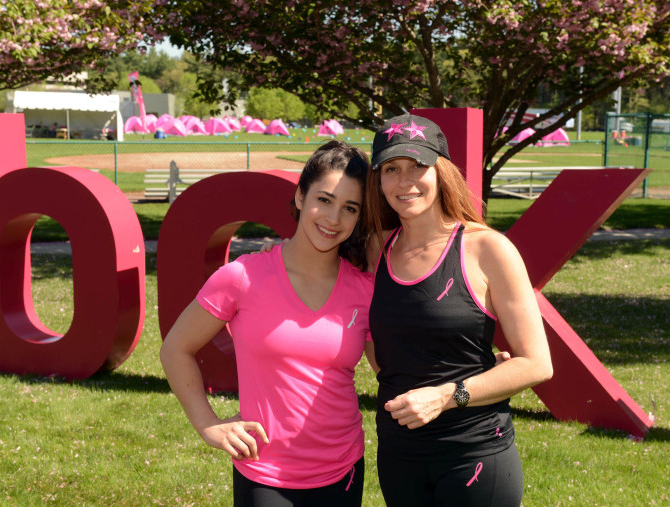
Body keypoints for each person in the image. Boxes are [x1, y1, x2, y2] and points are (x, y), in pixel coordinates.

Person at [160, 140, 375, 507]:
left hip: (344, 470)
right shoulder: (242, 278)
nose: (333, 219)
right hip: (265, 474)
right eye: (324, 200)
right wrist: (207, 424)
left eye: (349, 208)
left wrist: (475, 367)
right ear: (299, 197)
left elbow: (393, 369)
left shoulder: (365, 289)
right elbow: (175, 349)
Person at [364, 114, 553, 506]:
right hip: (399, 452)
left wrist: (447, 395)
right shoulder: (374, 249)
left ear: (442, 171)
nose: (404, 181)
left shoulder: (487, 249)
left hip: (474, 452)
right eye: (391, 169)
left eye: (418, 166)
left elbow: (537, 364)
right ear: (378, 181)